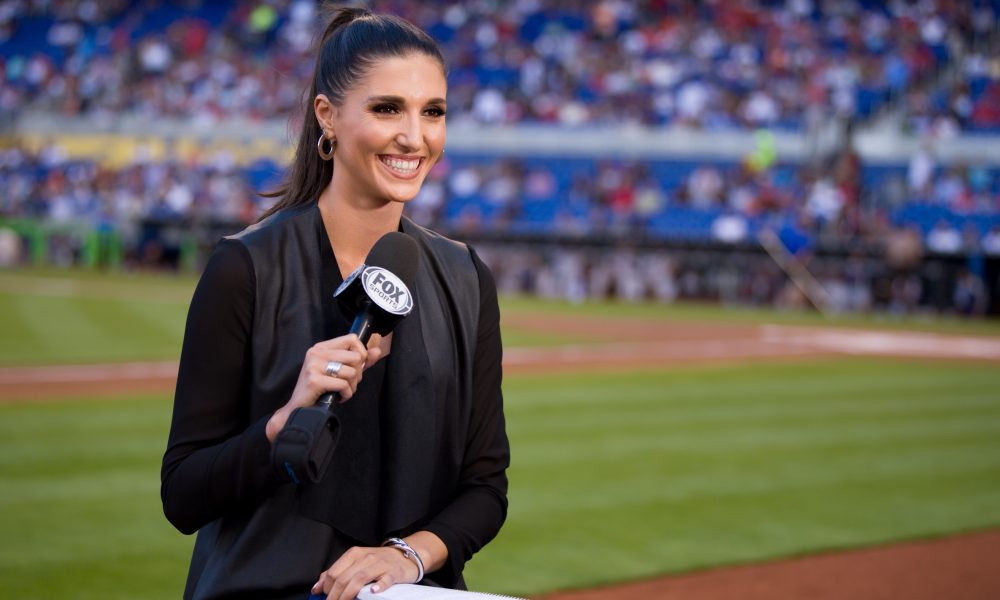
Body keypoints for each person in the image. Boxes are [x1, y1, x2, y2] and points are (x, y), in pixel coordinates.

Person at [160, 7, 510, 600]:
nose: (414, 136)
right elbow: (183, 493)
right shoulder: (244, 268)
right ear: (327, 116)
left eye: (433, 112)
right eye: (386, 108)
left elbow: (485, 487)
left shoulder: (465, 277)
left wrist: (405, 558)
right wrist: (282, 422)